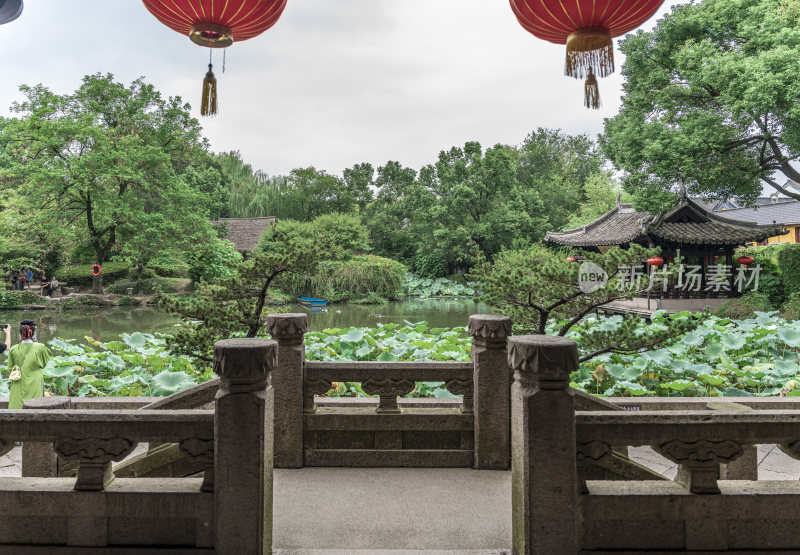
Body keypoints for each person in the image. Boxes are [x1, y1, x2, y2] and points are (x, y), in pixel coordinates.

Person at [7, 320, 51, 410]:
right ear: (34, 333)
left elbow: (10, 369)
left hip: (17, 384)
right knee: (35, 410)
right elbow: (44, 362)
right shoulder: (40, 347)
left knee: (16, 409)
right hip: (35, 385)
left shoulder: (13, 349)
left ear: (20, 333)